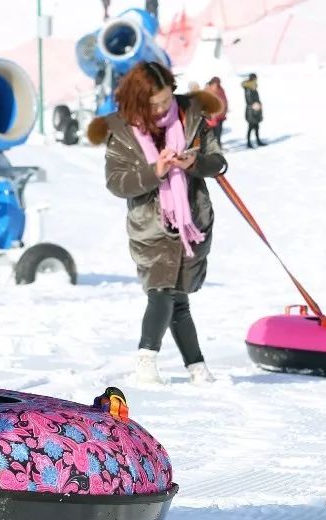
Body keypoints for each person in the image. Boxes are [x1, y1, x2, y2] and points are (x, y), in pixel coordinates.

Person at [87, 61, 226, 385]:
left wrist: (196, 162)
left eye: (167, 98)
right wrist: (155, 172)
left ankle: (196, 367)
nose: (164, 107)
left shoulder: (190, 114)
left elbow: (218, 162)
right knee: (161, 292)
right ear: (138, 100)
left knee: (178, 298)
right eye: (156, 103)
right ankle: (146, 360)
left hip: (191, 221)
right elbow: (116, 182)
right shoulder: (121, 130)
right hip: (151, 225)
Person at [204, 76, 229, 151]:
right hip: (212, 116)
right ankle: (213, 148)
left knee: (219, 132)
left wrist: (225, 109)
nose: (217, 84)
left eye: (218, 82)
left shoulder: (221, 89)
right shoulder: (208, 90)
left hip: (221, 115)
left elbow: (225, 100)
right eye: (216, 83)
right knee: (213, 133)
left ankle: (218, 146)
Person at [242, 73, 264, 148]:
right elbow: (249, 100)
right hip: (251, 111)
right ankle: (248, 142)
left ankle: (258, 140)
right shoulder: (248, 88)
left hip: (256, 110)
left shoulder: (253, 87)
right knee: (251, 127)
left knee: (257, 126)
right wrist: (254, 104)